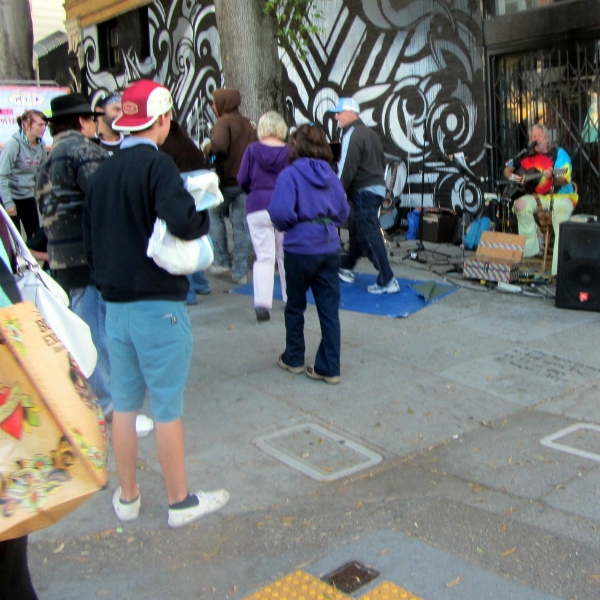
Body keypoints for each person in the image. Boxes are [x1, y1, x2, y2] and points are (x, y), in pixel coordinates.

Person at [83, 79, 229, 528]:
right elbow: (186, 223)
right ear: (162, 119)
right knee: (166, 406)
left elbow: (92, 242)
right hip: (157, 306)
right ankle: (179, 502)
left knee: (123, 406)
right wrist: (202, 210)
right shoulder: (158, 166)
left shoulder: (102, 172)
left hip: (115, 309)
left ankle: (127, 498)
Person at [35, 93, 113, 419]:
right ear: (83, 121)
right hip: (87, 257)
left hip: (62, 258)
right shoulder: (82, 150)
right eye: (93, 119)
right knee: (95, 337)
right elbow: (107, 196)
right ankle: (104, 403)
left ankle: (94, 397)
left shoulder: (48, 157)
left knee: (80, 331)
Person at [268, 124, 350, 385]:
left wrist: (294, 222)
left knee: (295, 305)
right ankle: (330, 367)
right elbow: (343, 212)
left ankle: (294, 358)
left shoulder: (289, 175)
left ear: (295, 146)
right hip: (328, 247)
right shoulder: (331, 176)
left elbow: (279, 213)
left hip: (300, 247)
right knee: (329, 310)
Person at [328, 98, 399, 294]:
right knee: (360, 232)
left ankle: (387, 278)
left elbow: (346, 168)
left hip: (363, 191)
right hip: (375, 188)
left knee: (369, 234)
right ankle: (346, 265)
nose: (336, 117)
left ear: (350, 112)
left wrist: (337, 192)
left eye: (339, 112)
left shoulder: (353, 134)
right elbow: (381, 162)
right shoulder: (371, 134)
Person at [504, 123, 578, 275]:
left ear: (546, 138)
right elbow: (507, 168)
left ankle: (558, 271)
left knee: (561, 222)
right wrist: (513, 176)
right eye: (533, 137)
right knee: (519, 205)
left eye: (539, 136)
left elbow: (563, 180)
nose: (535, 139)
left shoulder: (558, 153)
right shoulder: (527, 154)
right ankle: (532, 250)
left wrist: (552, 177)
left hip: (562, 197)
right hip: (537, 197)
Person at [237, 111, 289, 321]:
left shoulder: (251, 150)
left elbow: (242, 179)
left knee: (264, 257)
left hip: (257, 205)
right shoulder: (289, 152)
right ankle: (291, 298)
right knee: (285, 255)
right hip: (283, 205)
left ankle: (262, 304)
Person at [159, 119, 211, 305]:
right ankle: (201, 283)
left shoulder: (164, 146)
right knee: (195, 236)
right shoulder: (184, 141)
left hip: (181, 188)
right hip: (199, 189)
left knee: (181, 240)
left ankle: (189, 293)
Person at [208, 88, 257, 284]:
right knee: (242, 227)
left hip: (226, 182)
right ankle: (241, 272)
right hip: (246, 183)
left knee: (213, 215)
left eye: (214, 102)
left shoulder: (223, 122)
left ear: (223, 103)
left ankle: (221, 261)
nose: (213, 106)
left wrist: (207, 148)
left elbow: (218, 147)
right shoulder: (248, 123)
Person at [0, 109, 48, 238]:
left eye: (45, 125)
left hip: (28, 197)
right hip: (11, 196)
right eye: (40, 125)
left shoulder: (41, 146)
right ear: (26, 125)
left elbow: (42, 173)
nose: (44, 128)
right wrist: (8, 204)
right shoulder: (13, 145)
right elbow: (2, 175)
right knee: (14, 240)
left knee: (35, 236)